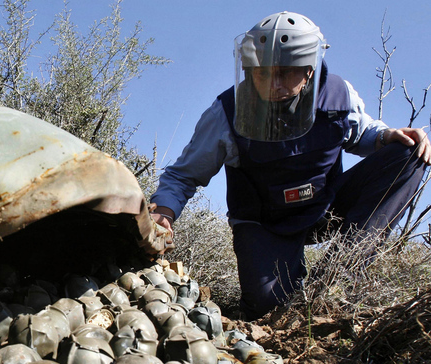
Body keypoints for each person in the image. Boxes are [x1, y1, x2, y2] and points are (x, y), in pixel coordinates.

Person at [150, 11, 430, 320]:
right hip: (265, 223)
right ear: (248, 68)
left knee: (410, 152)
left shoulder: (338, 96)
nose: (275, 84)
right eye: (263, 73)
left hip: (325, 207)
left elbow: (361, 133)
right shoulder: (226, 114)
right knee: (269, 309)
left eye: (286, 72)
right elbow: (183, 174)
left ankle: (336, 279)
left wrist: (387, 135)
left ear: (309, 69)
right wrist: (164, 211)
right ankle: (274, 293)